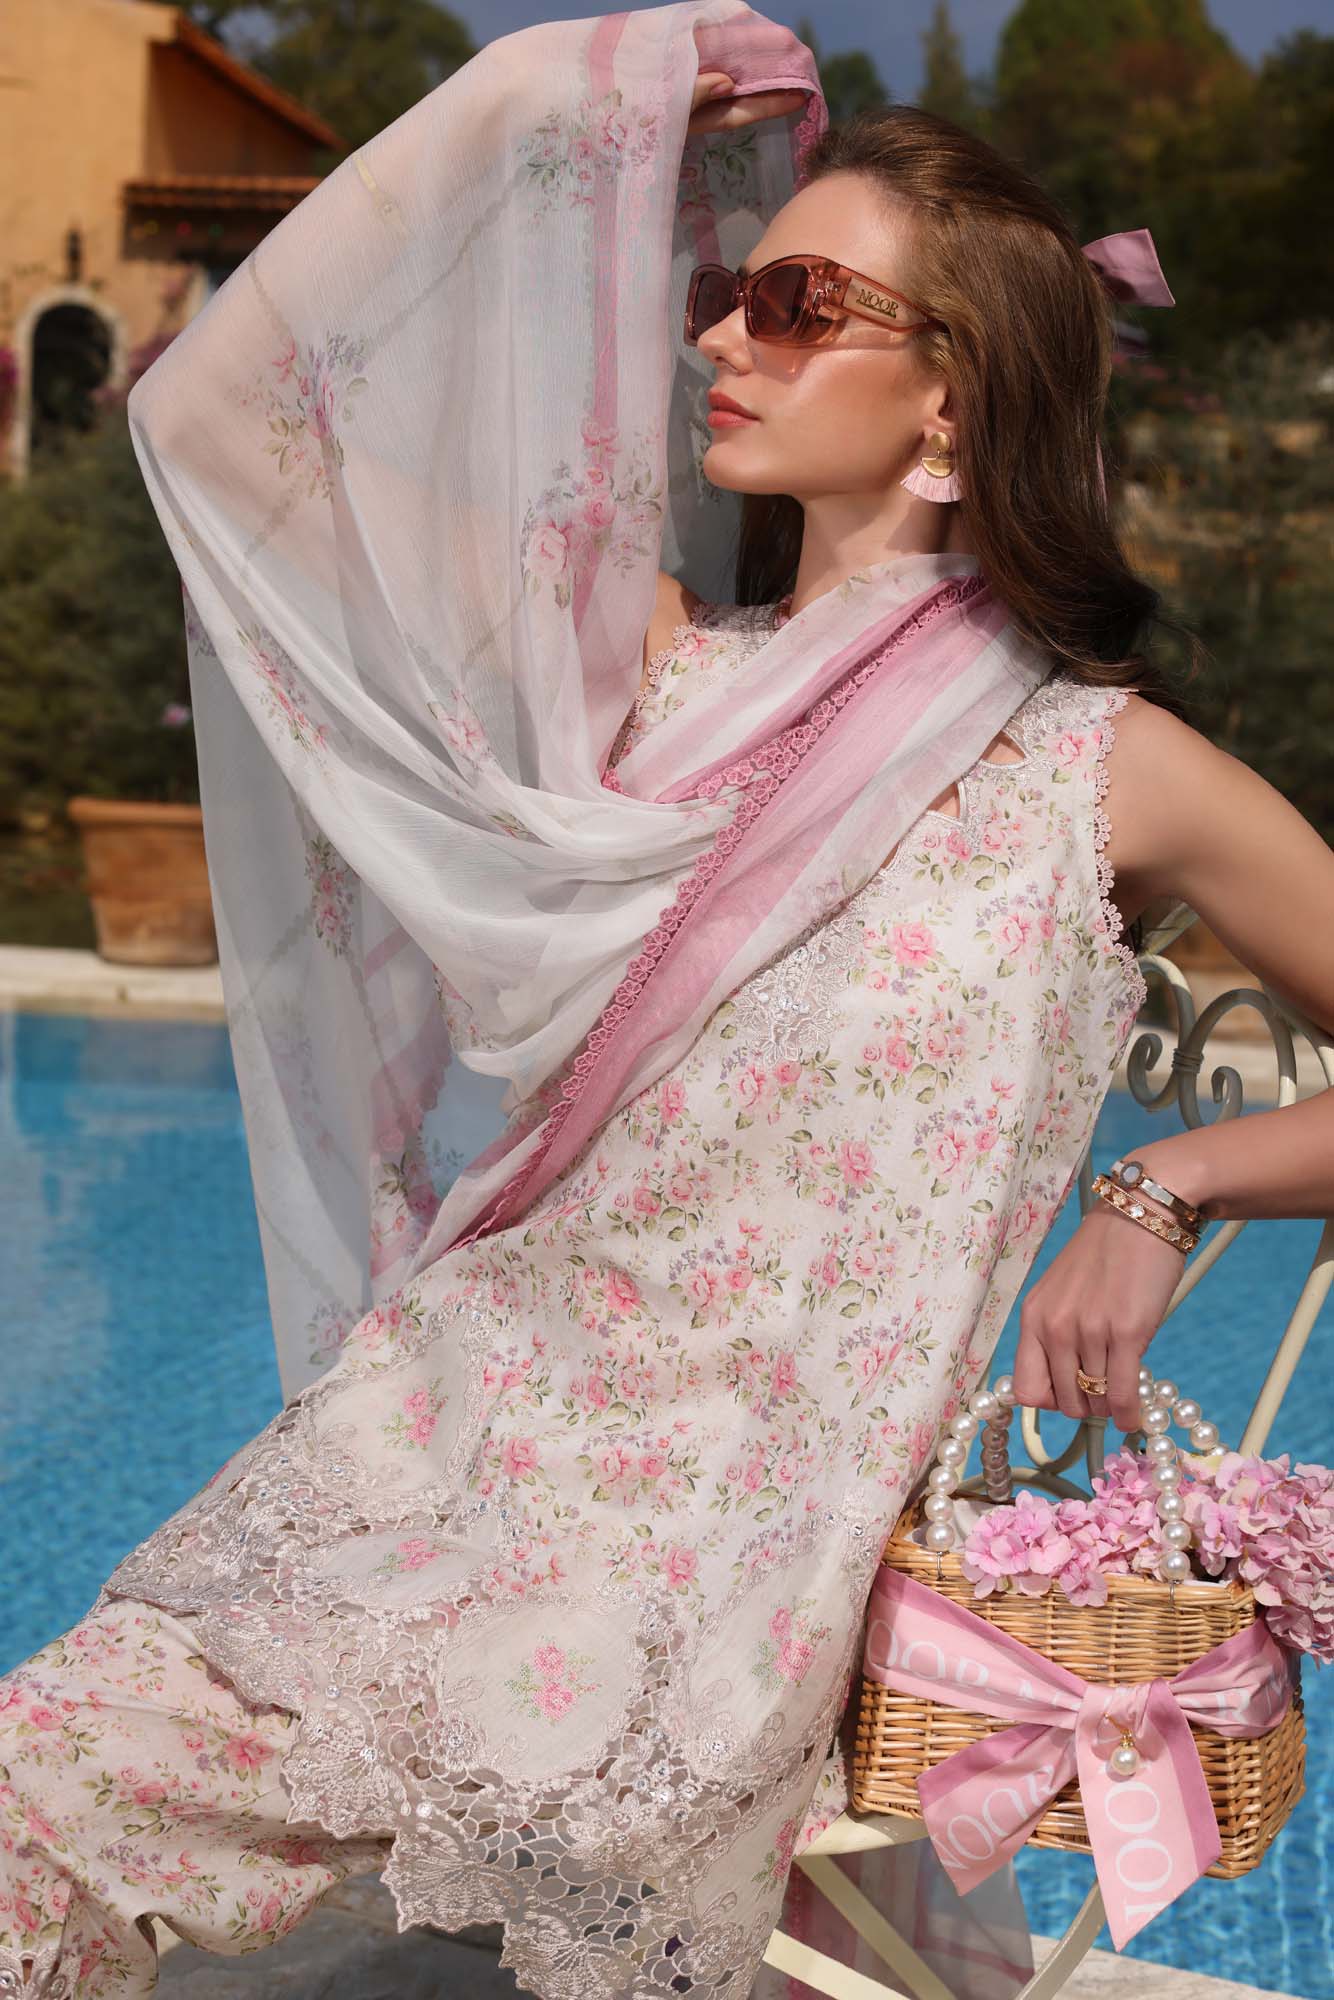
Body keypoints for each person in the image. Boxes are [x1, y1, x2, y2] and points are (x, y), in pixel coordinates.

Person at [5, 4, 1334, 1996]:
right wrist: (557, 103)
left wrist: (1171, 1185)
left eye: (796, 303)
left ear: (954, 386)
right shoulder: (631, 672)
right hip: (433, 1456)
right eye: (726, 292)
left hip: (718, 1560)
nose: (721, 340)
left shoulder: (1106, 776)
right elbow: (216, 413)